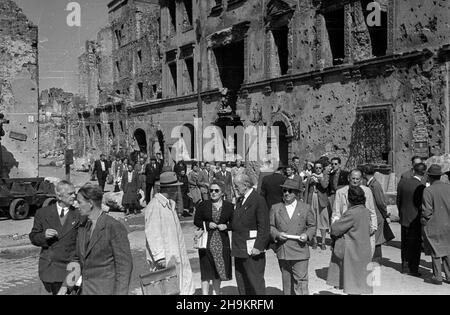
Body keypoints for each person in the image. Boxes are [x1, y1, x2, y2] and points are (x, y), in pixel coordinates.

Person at [58, 184, 133, 295]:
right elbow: (77, 260)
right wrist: (66, 286)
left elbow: (124, 268)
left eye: (80, 202)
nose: (76, 205)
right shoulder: (82, 227)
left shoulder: (113, 227)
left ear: (90, 203)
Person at [144, 172, 195, 295]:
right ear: (170, 188)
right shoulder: (155, 206)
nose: (178, 190)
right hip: (165, 257)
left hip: (174, 253)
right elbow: (152, 232)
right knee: (166, 289)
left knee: (178, 285)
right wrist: (159, 256)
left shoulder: (169, 205)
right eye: (176, 187)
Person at [29, 180, 80, 295]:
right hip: (48, 268)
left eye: (74, 193)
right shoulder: (42, 213)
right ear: (59, 196)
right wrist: (44, 236)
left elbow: (81, 246)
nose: (74, 196)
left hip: (69, 270)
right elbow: (33, 237)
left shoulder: (78, 215)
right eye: (70, 194)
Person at [328, 169, 377, 288]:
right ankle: (345, 282)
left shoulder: (367, 191)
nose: (355, 181)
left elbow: (371, 211)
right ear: (349, 178)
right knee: (344, 257)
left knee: (362, 258)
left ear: (361, 180)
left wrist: (373, 227)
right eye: (353, 178)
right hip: (345, 228)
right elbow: (336, 212)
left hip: (361, 228)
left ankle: (357, 284)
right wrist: (337, 227)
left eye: (357, 179)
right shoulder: (341, 192)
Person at [270, 179, 316, 295]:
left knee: (300, 281)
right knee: (287, 282)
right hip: (283, 250)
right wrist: (277, 234)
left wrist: (307, 235)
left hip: (300, 250)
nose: (286, 193)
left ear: (296, 193)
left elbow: (312, 226)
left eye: (290, 191)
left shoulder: (306, 208)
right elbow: (270, 226)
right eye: (284, 190)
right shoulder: (275, 208)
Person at [232, 173, 270, 295]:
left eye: (237, 186)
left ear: (246, 185)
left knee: (255, 283)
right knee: (242, 282)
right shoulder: (240, 200)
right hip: (239, 248)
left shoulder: (258, 200)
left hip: (252, 250)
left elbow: (264, 226)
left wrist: (258, 246)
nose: (235, 189)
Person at [194, 180, 233, 295]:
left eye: (216, 190)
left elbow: (234, 223)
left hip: (221, 242)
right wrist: (206, 224)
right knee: (206, 271)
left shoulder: (229, 206)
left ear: (222, 192)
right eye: (211, 191)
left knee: (218, 270)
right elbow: (197, 221)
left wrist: (226, 226)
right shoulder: (203, 205)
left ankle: (216, 293)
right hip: (206, 242)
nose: (213, 193)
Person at [421, 164, 450, 285]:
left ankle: (437, 276)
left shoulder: (428, 190)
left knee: (435, 250)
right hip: (448, 223)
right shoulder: (449, 187)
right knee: (448, 249)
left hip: (434, 224)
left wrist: (423, 219)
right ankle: (449, 276)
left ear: (430, 176)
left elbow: (427, 211)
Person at [396, 163, 426, 275]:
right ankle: (413, 269)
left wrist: (401, 213)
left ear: (413, 171)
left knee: (405, 244)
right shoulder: (421, 187)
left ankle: (404, 267)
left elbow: (398, 201)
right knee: (415, 246)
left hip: (404, 218)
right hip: (415, 220)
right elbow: (421, 205)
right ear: (423, 173)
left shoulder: (403, 183)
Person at [364, 164, 395, 264]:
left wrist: (385, 214)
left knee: (376, 239)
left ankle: (377, 259)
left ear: (365, 173)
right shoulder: (371, 184)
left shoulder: (375, 185)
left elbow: (380, 201)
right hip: (374, 214)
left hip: (377, 214)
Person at [304, 161, 330, 250]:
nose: (318, 169)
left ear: (322, 168)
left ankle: (323, 242)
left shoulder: (325, 176)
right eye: (316, 168)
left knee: (323, 220)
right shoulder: (311, 176)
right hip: (312, 199)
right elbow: (307, 190)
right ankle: (314, 241)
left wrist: (318, 180)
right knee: (313, 220)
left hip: (321, 200)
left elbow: (325, 186)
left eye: (320, 168)